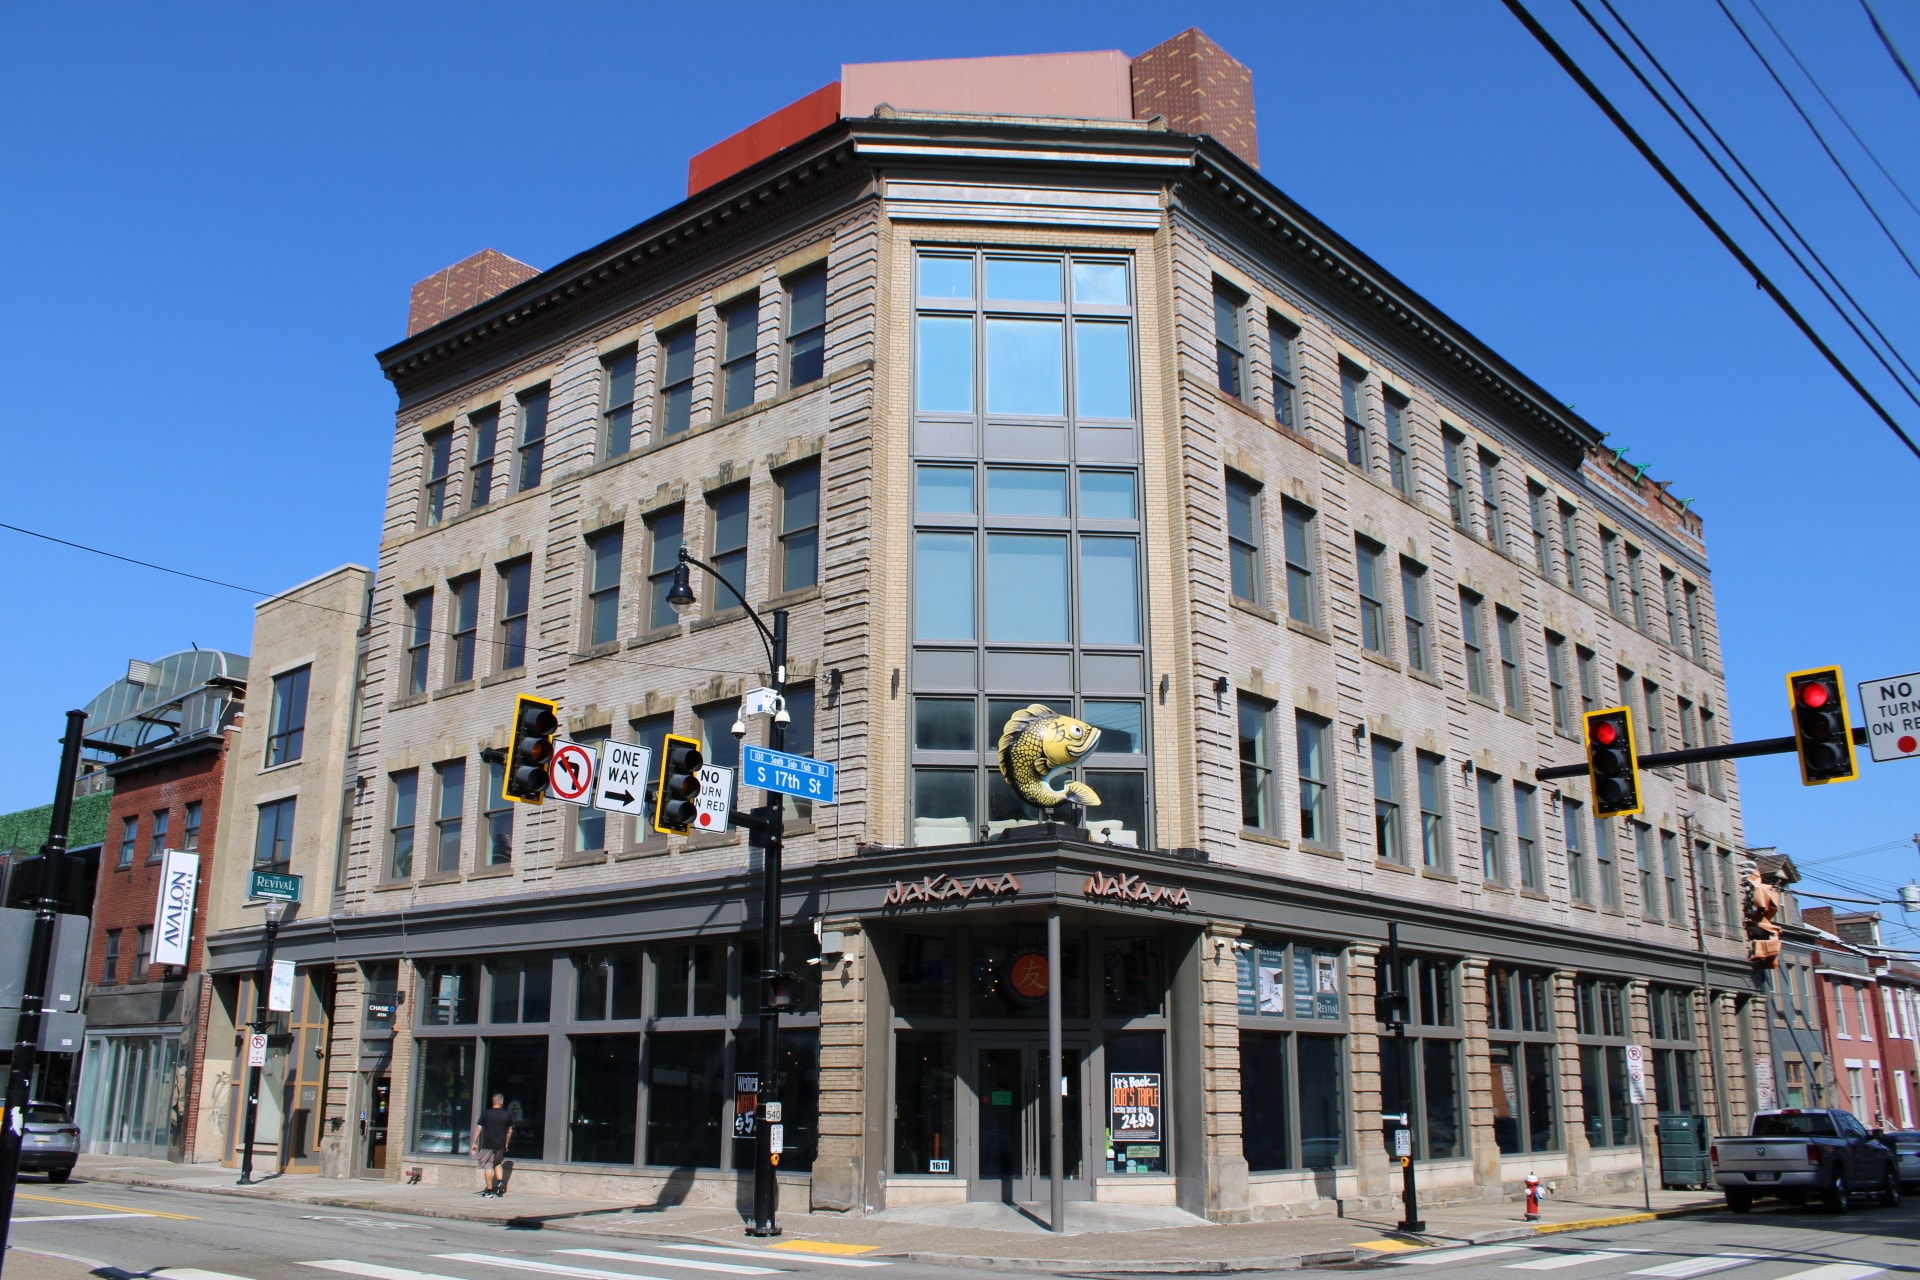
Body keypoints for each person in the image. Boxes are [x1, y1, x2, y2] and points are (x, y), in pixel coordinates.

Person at [472, 1092, 514, 1197]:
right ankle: (499, 1181)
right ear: (501, 1102)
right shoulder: (506, 1114)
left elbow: (478, 1128)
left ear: (493, 1101)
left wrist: (474, 1142)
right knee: (498, 1163)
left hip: (488, 1144)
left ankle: (489, 1191)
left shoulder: (486, 1113)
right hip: (500, 1144)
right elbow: (510, 1131)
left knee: (488, 1166)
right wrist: (506, 1143)